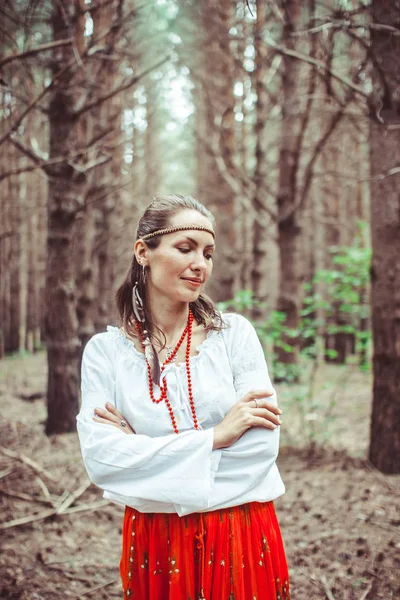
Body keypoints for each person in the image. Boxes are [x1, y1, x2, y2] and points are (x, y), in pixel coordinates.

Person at [77, 194, 291, 600]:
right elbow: (103, 460)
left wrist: (143, 451)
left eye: (208, 253)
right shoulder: (106, 353)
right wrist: (216, 437)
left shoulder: (234, 336)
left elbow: (261, 449)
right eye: (185, 248)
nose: (201, 264)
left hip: (239, 530)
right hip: (156, 537)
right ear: (144, 252)